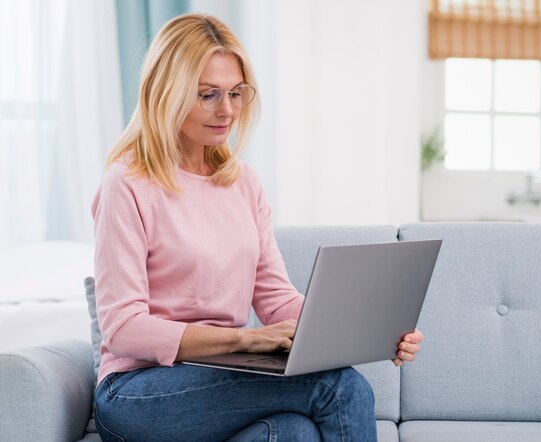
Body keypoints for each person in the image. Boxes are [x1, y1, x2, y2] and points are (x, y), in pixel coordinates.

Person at [92, 13, 423, 442]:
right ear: (164, 94)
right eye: (208, 94)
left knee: (292, 432)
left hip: (220, 377)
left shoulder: (243, 183)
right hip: (137, 393)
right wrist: (244, 340)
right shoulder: (127, 184)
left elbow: (275, 297)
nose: (227, 110)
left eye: (235, 93)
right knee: (339, 386)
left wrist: (370, 329)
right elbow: (123, 327)